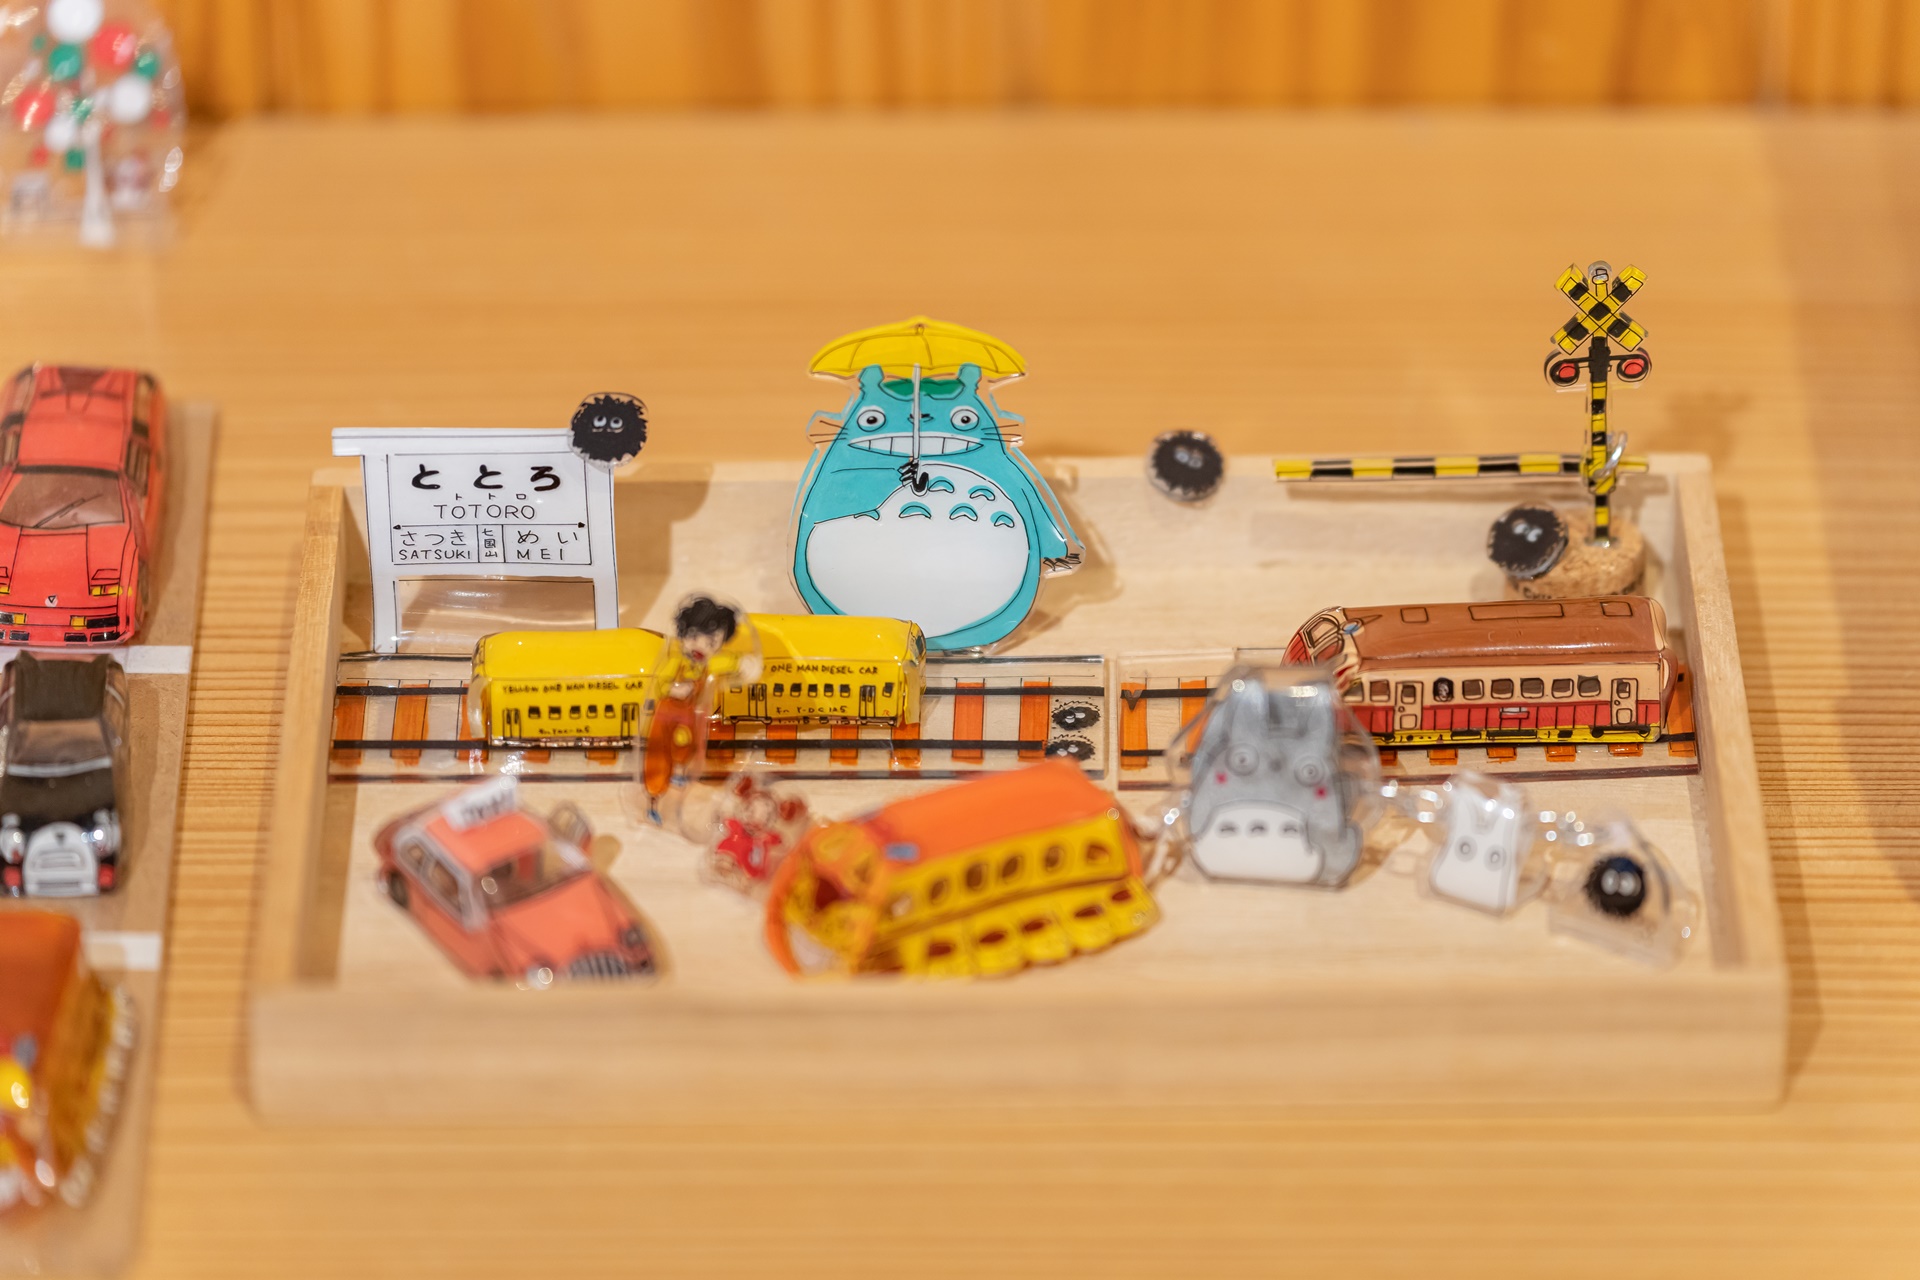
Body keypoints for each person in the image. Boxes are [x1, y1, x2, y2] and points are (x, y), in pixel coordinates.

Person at [639, 595, 752, 821]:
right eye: (693, 637)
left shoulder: (708, 665)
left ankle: (679, 772)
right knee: (658, 753)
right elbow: (661, 684)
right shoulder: (676, 661)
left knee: (686, 745)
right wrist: (673, 689)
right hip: (665, 714)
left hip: (688, 715)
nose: (701, 646)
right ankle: (653, 800)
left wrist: (743, 663)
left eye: (711, 643)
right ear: (682, 633)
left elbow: (726, 662)